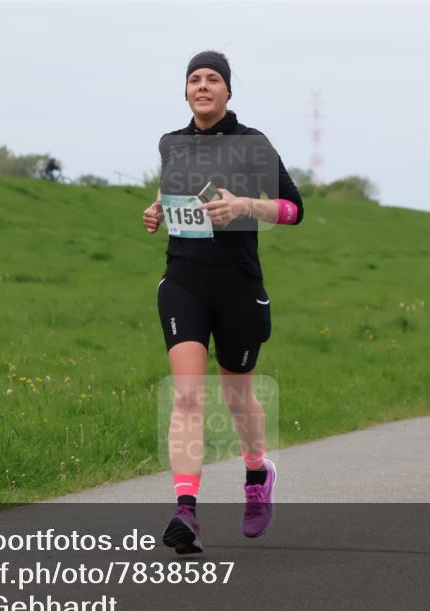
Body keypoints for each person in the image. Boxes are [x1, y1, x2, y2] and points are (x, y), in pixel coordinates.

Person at [142, 51, 304, 553]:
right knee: (187, 394)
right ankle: (185, 513)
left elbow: (294, 208)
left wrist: (245, 206)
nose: (203, 86)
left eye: (214, 79)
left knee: (237, 397)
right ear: (185, 91)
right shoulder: (172, 144)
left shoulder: (253, 144)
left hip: (238, 285)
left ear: (229, 91)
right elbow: (178, 199)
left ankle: (257, 475)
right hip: (183, 280)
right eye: (195, 79)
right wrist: (156, 210)